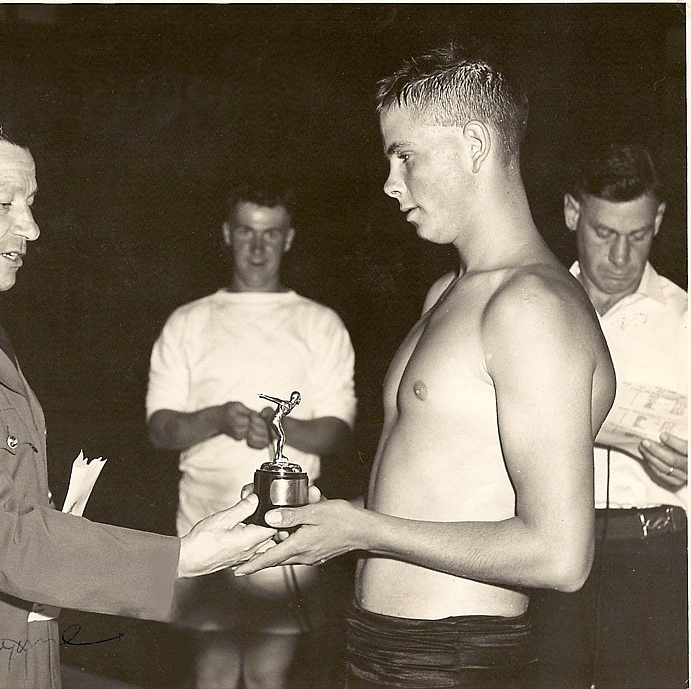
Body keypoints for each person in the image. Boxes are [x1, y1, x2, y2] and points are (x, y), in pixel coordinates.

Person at [0, 112, 277, 689]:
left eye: (31, 203)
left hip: (7, 652)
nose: (32, 228)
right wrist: (179, 559)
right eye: (5, 204)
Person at [235, 43, 617, 689]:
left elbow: (559, 554)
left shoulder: (531, 306)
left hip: (455, 659)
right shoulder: (449, 292)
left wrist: (362, 528)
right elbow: (436, 494)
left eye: (406, 155)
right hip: (380, 644)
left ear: (474, 144)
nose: (389, 181)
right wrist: (326, 521)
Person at [145, 180, 357, 689]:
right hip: (203, 525)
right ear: (227, 234)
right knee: (213, 676)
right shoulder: (188, 321)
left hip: (286, 532)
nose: (258, 247)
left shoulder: (321, 324)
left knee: (267, 679)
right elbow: (159, 429)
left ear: (288, 239)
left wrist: (280, 427)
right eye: (246, 231)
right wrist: (218, 418)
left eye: (271, 233)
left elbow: (337, 432)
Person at [529, 143, 688, 688]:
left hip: (656, 556)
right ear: (574, 213)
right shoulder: (535, 306)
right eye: (604, 234)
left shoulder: (685, 321)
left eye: (638, 236)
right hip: (547, 549)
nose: (621, 257)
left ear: (660, 220)